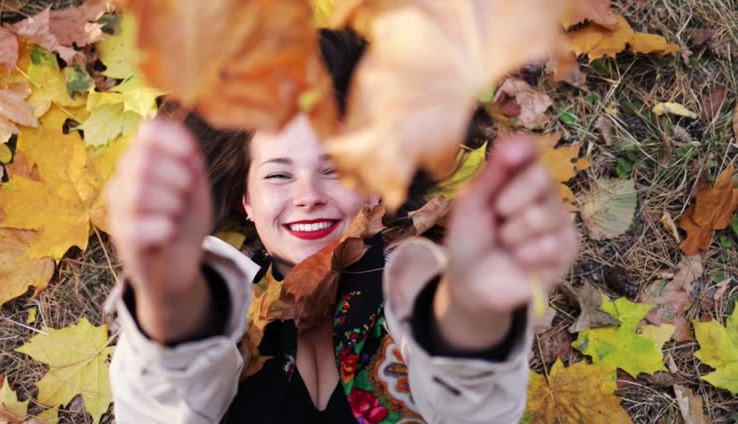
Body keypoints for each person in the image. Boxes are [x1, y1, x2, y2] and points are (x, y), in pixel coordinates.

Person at [104, 29, 578, 423]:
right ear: (247, 201)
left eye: (333, 169)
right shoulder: (227, 308)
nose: (308, 194)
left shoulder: (413, 293)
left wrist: (469, 328)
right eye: (278, 174)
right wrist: (175, 321)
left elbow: (473, 409)